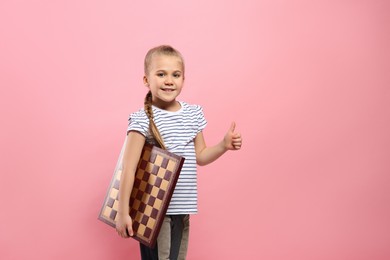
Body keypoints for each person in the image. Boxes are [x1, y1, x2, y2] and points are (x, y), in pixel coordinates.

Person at [115, 45, 242, 260]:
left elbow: (200, 155)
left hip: (182, 210)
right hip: (154, 211)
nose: (169, 80)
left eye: (176, 75)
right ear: (146, 80)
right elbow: (129, 168)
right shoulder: (141, 119)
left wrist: (223, 145)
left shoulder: (192, 114)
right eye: (161, 74)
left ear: (183, 79)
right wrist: (122, 212)